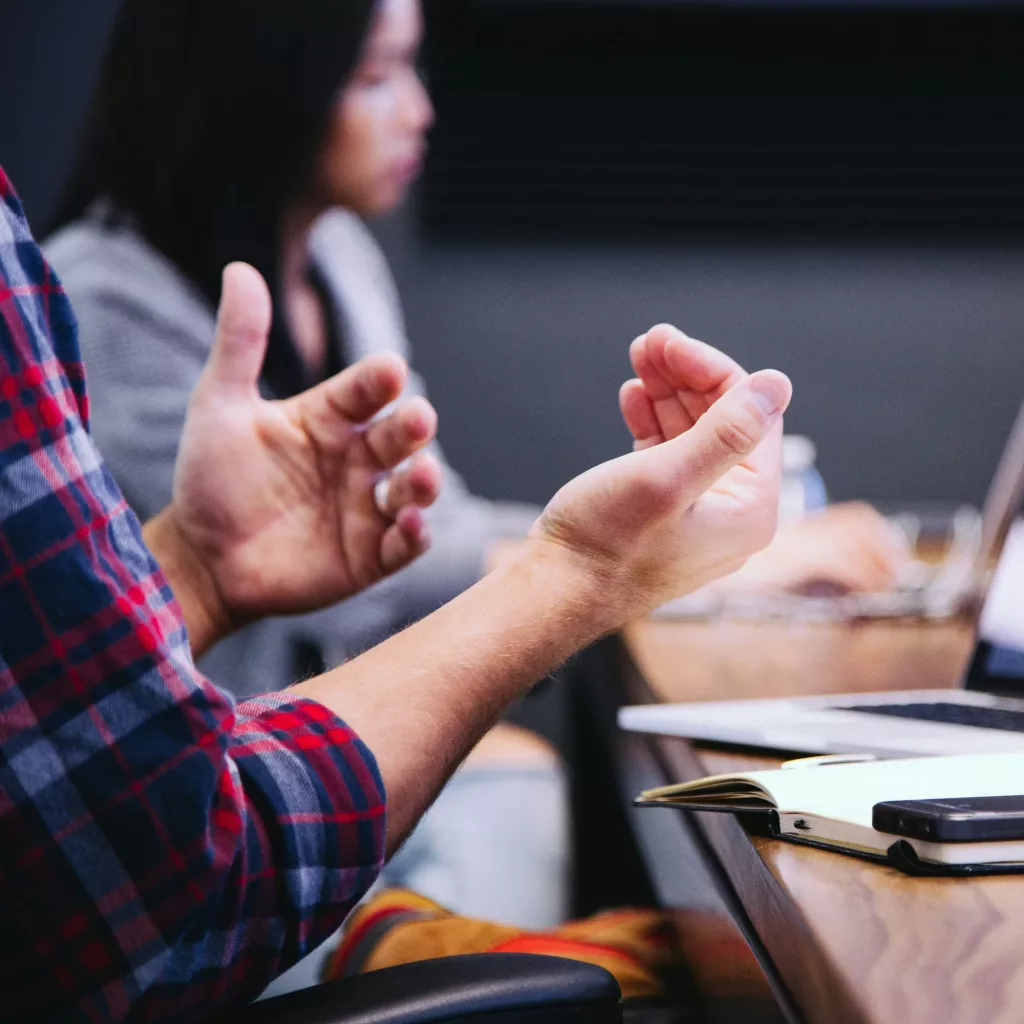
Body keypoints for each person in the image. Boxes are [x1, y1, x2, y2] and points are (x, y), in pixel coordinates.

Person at [0, 164, 792, 1021]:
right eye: (379, 73)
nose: (417, 108)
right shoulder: (98, 286)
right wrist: (583, 573)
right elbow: (172, 879)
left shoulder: (340, 255)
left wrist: (194, 570)